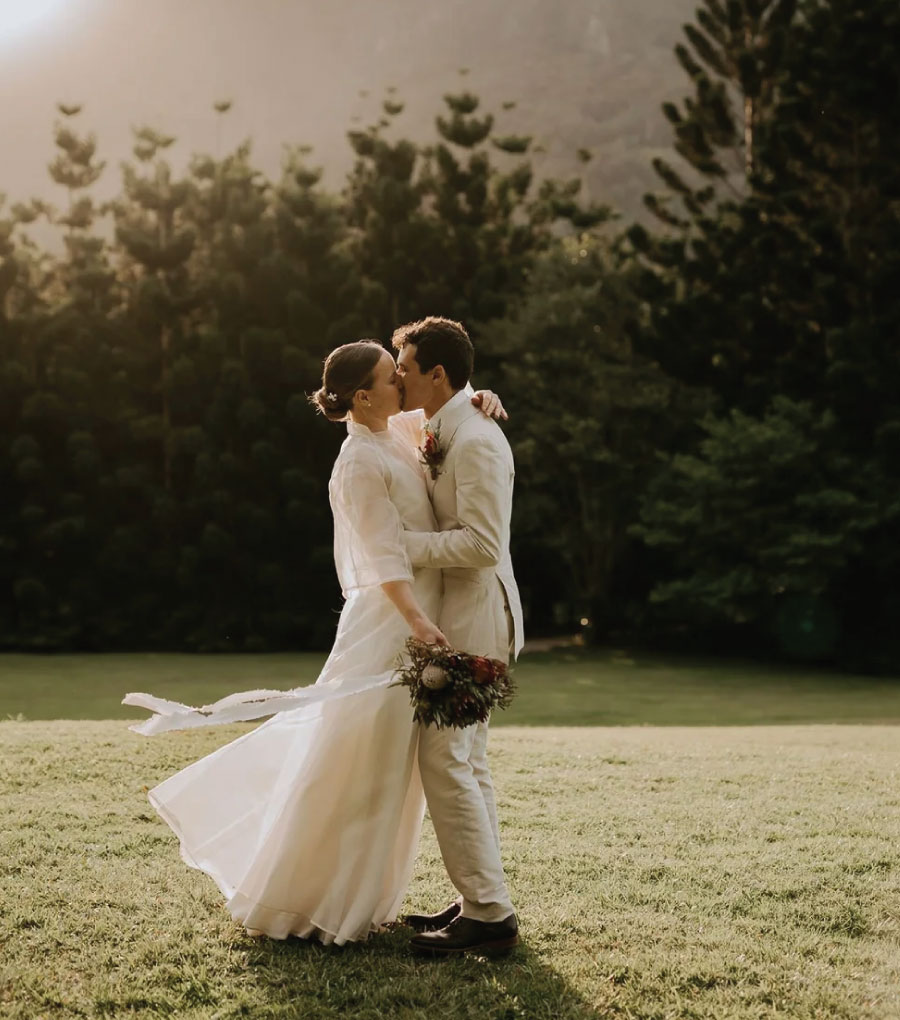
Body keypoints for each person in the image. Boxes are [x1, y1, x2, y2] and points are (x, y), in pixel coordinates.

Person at [123, 339, 504, 947]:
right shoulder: (357, 461)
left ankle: (450, 900)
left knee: (396, 765)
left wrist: (480, 396)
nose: (401, 382)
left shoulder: (398, 429)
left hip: (431, 610)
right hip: (396, 622)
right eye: (390, 376)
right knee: (355, 756)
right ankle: (311, 893)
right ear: (362, 396)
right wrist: (417, 623)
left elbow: (444, 411)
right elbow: (382, 550)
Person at [390, 316, 523, 957]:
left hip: (476, 620)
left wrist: (400, 547)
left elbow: (482, 543)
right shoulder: (450, 422)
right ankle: (481, 897)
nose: (397, 377)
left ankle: (490, 913)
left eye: (406, 368)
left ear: (437, 374)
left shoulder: (475, 441)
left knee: (446, 760)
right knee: (467, 762)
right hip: (467, 615)